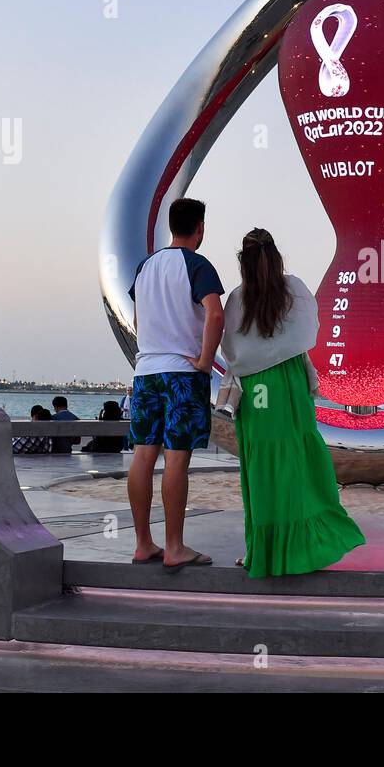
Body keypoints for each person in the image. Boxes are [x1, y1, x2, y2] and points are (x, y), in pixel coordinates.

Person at [220, 227, 365, 578]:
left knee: (261, 466)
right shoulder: (295, 289)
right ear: (276, 256)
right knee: (298, 461)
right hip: (292, 382)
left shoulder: (238, 299)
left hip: (258, 389)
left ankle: (261, 550)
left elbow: (232, 351)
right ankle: (302, 547)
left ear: (244, 261)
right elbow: (310, 330)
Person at [125, 197, 225, 570]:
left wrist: (152, 349)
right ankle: (174, 547)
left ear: (171, 225)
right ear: (199, 227)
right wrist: (203, 361)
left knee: (143, 454)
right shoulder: (198, 265)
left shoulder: (145, 267)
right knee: (176, 459)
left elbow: (137, 319)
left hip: (146, 371)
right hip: (182, 373)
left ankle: (142, 543)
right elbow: (215, 314)